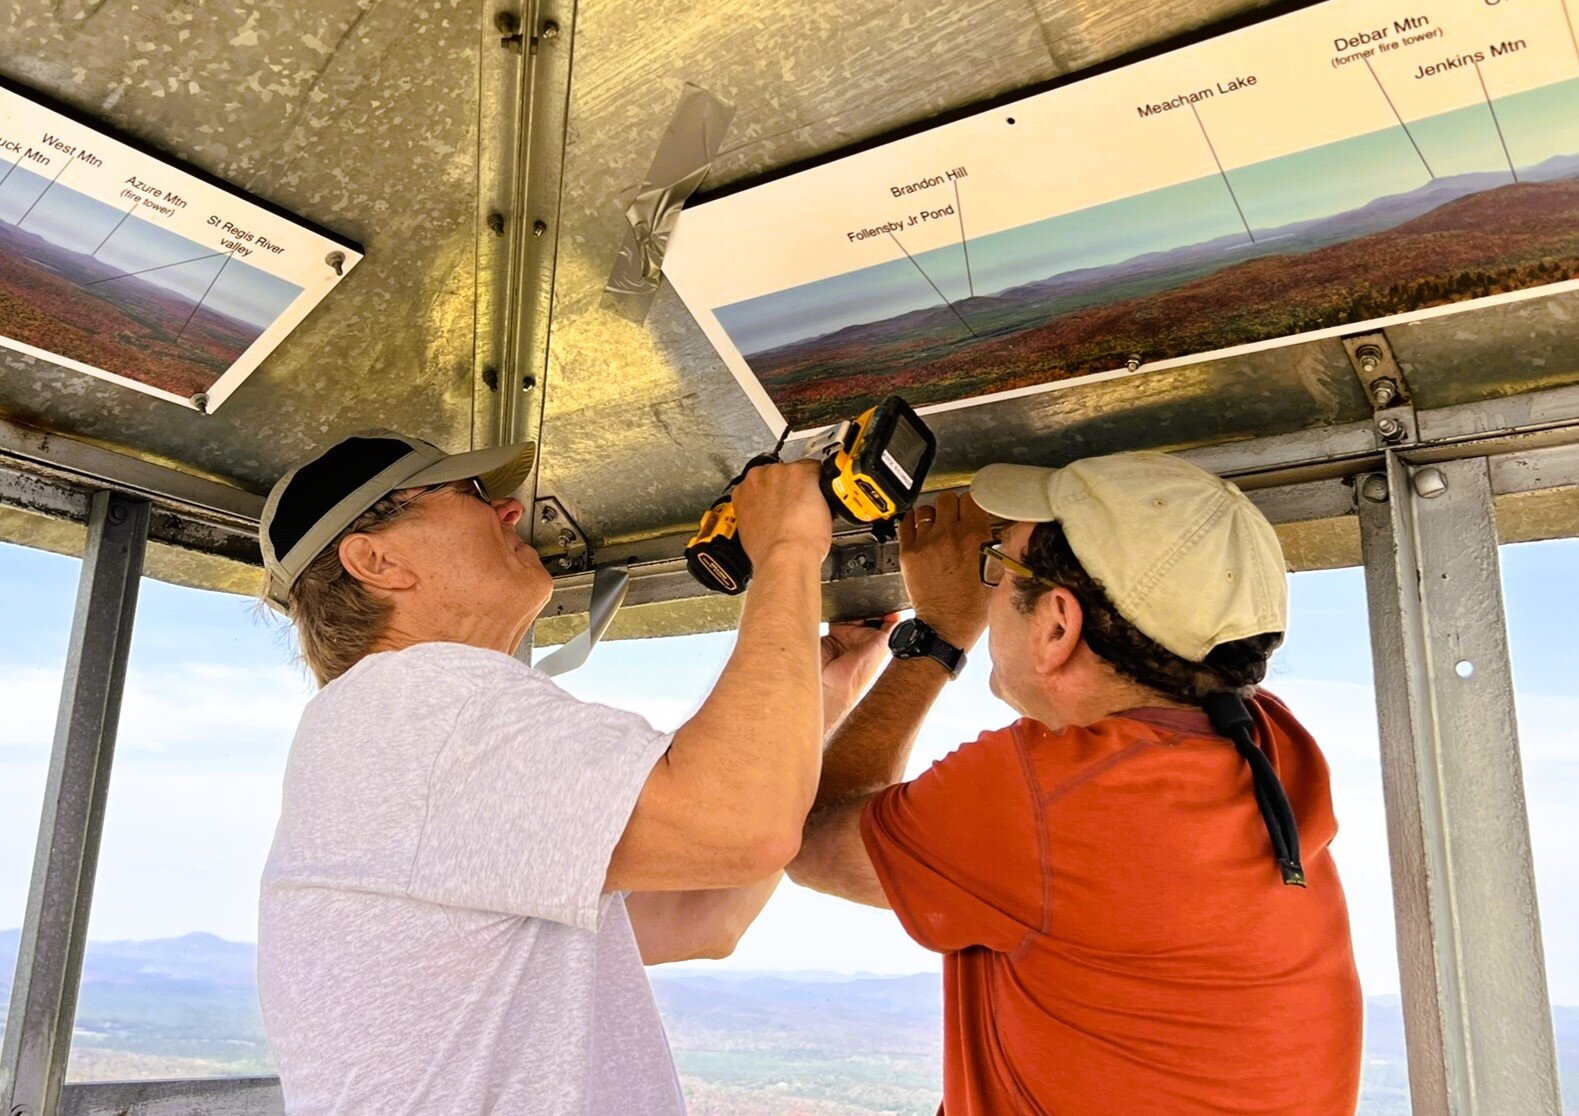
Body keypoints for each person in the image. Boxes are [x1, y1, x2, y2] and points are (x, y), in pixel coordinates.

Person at [253, 430, 892, 1114]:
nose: (508, 511)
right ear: (376, 559)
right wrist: (788, 549)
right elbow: (742, 830)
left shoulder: (384, 740)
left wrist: (817, 698)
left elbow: (701, 914)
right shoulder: (419, 707)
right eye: (470, 493)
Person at [787, 450, 1363, 1115]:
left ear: (1058, 625)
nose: (985, 585)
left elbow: (810, 840)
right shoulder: (1269, 747)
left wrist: (941, 633)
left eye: (995, 564)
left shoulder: (1062, 796)